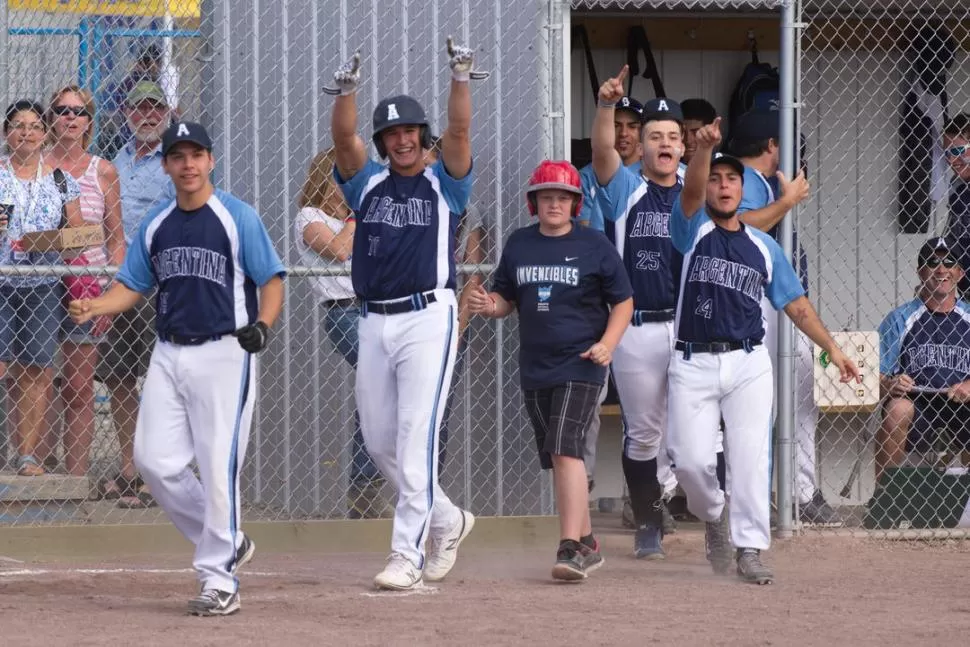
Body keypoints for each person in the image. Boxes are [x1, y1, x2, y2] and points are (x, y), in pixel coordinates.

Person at [69, 121, 284, 616]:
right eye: (177, 156)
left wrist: (264, 325)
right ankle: (228, 540)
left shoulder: (237, 217)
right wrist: (98, 307)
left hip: (224, 353)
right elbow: (133, 285)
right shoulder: (158, 223)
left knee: (216, 466)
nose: (188, 165)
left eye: (196, 155)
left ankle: (219, 578)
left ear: (210, 161)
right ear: (165, 165)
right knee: (153, 462)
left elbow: (271, 280)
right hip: (168, 352)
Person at [668, 114, 860, 584]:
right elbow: (690, 193)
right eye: (716, 179)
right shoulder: (690, 232)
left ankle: (749, 547)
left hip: (748, 362)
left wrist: (832, 349)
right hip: (692, 360)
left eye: (732, 178)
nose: (723, 185)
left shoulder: (763, 246)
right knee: (690, 461)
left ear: (743, 189)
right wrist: (703, 152)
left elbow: (794, 304)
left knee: (750, 456)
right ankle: (714, 513)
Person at [327, 39, 481, 590]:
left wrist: (459, 77)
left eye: (409, 131)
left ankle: (406, 555)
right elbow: (343, 138)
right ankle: (446, 518)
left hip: (427, 317)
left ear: (422, 137)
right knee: (378, 441)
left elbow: (460, 134)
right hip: (375, 319)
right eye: (392, 134)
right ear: (385, 143)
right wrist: (346, 92)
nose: (401, 140)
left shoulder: (446, 185)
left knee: (416, 435)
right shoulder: (366, 184)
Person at [467, 160, 633, 581]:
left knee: (565, 448)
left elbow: (624, 302)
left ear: (575, 203)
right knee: (558, 458)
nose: (554, 203)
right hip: (536, 366)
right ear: (534, 202)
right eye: (547, 196)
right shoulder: (520, 243)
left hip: (583, 363)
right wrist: (491, 306)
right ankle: (590, 542)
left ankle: (570, 548)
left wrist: (607, 345)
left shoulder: (594, 245)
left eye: (562, 197)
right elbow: (506, 297)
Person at [729, 109, 841, 527]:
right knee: (787, 400)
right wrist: (787, 201)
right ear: (771, 146)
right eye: (785, 146)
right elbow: (739, 226)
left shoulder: (754, 180)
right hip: (762, 306)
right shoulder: (748, 179)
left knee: (789, 397)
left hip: (771, 304)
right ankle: (795, 493)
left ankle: (792, 492)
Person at [591, 77, 688, 559]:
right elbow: (604, 151)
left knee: (697, 432)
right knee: (645, 433)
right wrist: (606, 107)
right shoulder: (626, 187)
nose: (663, 144)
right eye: (655, 136)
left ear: (683, 144)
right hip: (637, 327)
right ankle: (648, 521)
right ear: (643, 145)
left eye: (672, 136)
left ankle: (713, 520)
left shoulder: (698, 186)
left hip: (691, 327)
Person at [294, 148, 387, 519]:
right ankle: (364, 487)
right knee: (379, 383)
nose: (348, 186)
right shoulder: (309, 216)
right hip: (344, 312)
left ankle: (367, 487)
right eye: (341, 178)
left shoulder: (361, 218)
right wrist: (355, 214)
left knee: (379, 390)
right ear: (324, 178)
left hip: (375, 309)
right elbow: (337, 250)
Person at [40, 85, 124, 477]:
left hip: (86, 287)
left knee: (77, 386)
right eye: (62, 110)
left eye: (79, 112)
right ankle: (32, 470)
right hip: (34, 284)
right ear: (51, 117)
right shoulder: (31, 165)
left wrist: (109, 292)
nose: (71, 118)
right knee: (32, 381)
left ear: (90, 120)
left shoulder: (103, 170)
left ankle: (74, 480)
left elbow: (115, 238)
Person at [99, 80, 175, 507]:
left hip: (157, 280)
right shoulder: (118, 160)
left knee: (160, 375)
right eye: (138, 107)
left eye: (154, 107)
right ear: (126, 111)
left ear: (166, 112)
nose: (146, 114)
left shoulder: (174, 161)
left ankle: (156, 471)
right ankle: (130, 467)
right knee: (119, 376)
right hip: (116, 281)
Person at [0, 100, 83, 476]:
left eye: (35, 126)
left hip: (43, 284)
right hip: (1, 280)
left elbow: (80, 236)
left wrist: (53, 240)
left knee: (37, 367)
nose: (27, 133)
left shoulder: (62, 180)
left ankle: (27, 456)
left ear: (45, 134)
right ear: (6, 133)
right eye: (19, 125)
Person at [576, 95, 642, 501]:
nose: (623, 132)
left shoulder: (668, 178)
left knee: (647, 409)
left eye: (632, 125)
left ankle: (646, 497)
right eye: (616, 124)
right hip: (599, 306)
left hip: (651, 307)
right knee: (588, 402)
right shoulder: (585, 178)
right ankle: (579, 491)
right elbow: (586, 236)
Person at [875, 237, 970, 481]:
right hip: (917, 403)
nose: (941, 270)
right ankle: (886, 500)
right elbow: (874, 377)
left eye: (949, 262)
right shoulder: (900, 319)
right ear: (920, 273)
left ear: (959, 273)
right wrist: (890, 384)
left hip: (960, 403)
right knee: (897, 409)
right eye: (932, 262)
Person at [424, 136, 488, 475]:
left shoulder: (465, 209)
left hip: (447, 317)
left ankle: (432, 487)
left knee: (439, 410)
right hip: (408, 317)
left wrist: (457, 330)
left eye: (435, 163)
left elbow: (472, 274)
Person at [943, 114, 970, 294]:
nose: (952, 160)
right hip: (963, 287)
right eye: (947, 153)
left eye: (957, 151)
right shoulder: (957, 185)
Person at [680, 98, 718, 165]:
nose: (688, 140)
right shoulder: (665, 169)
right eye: (682, 132)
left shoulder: (723, 168)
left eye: (696, 133)